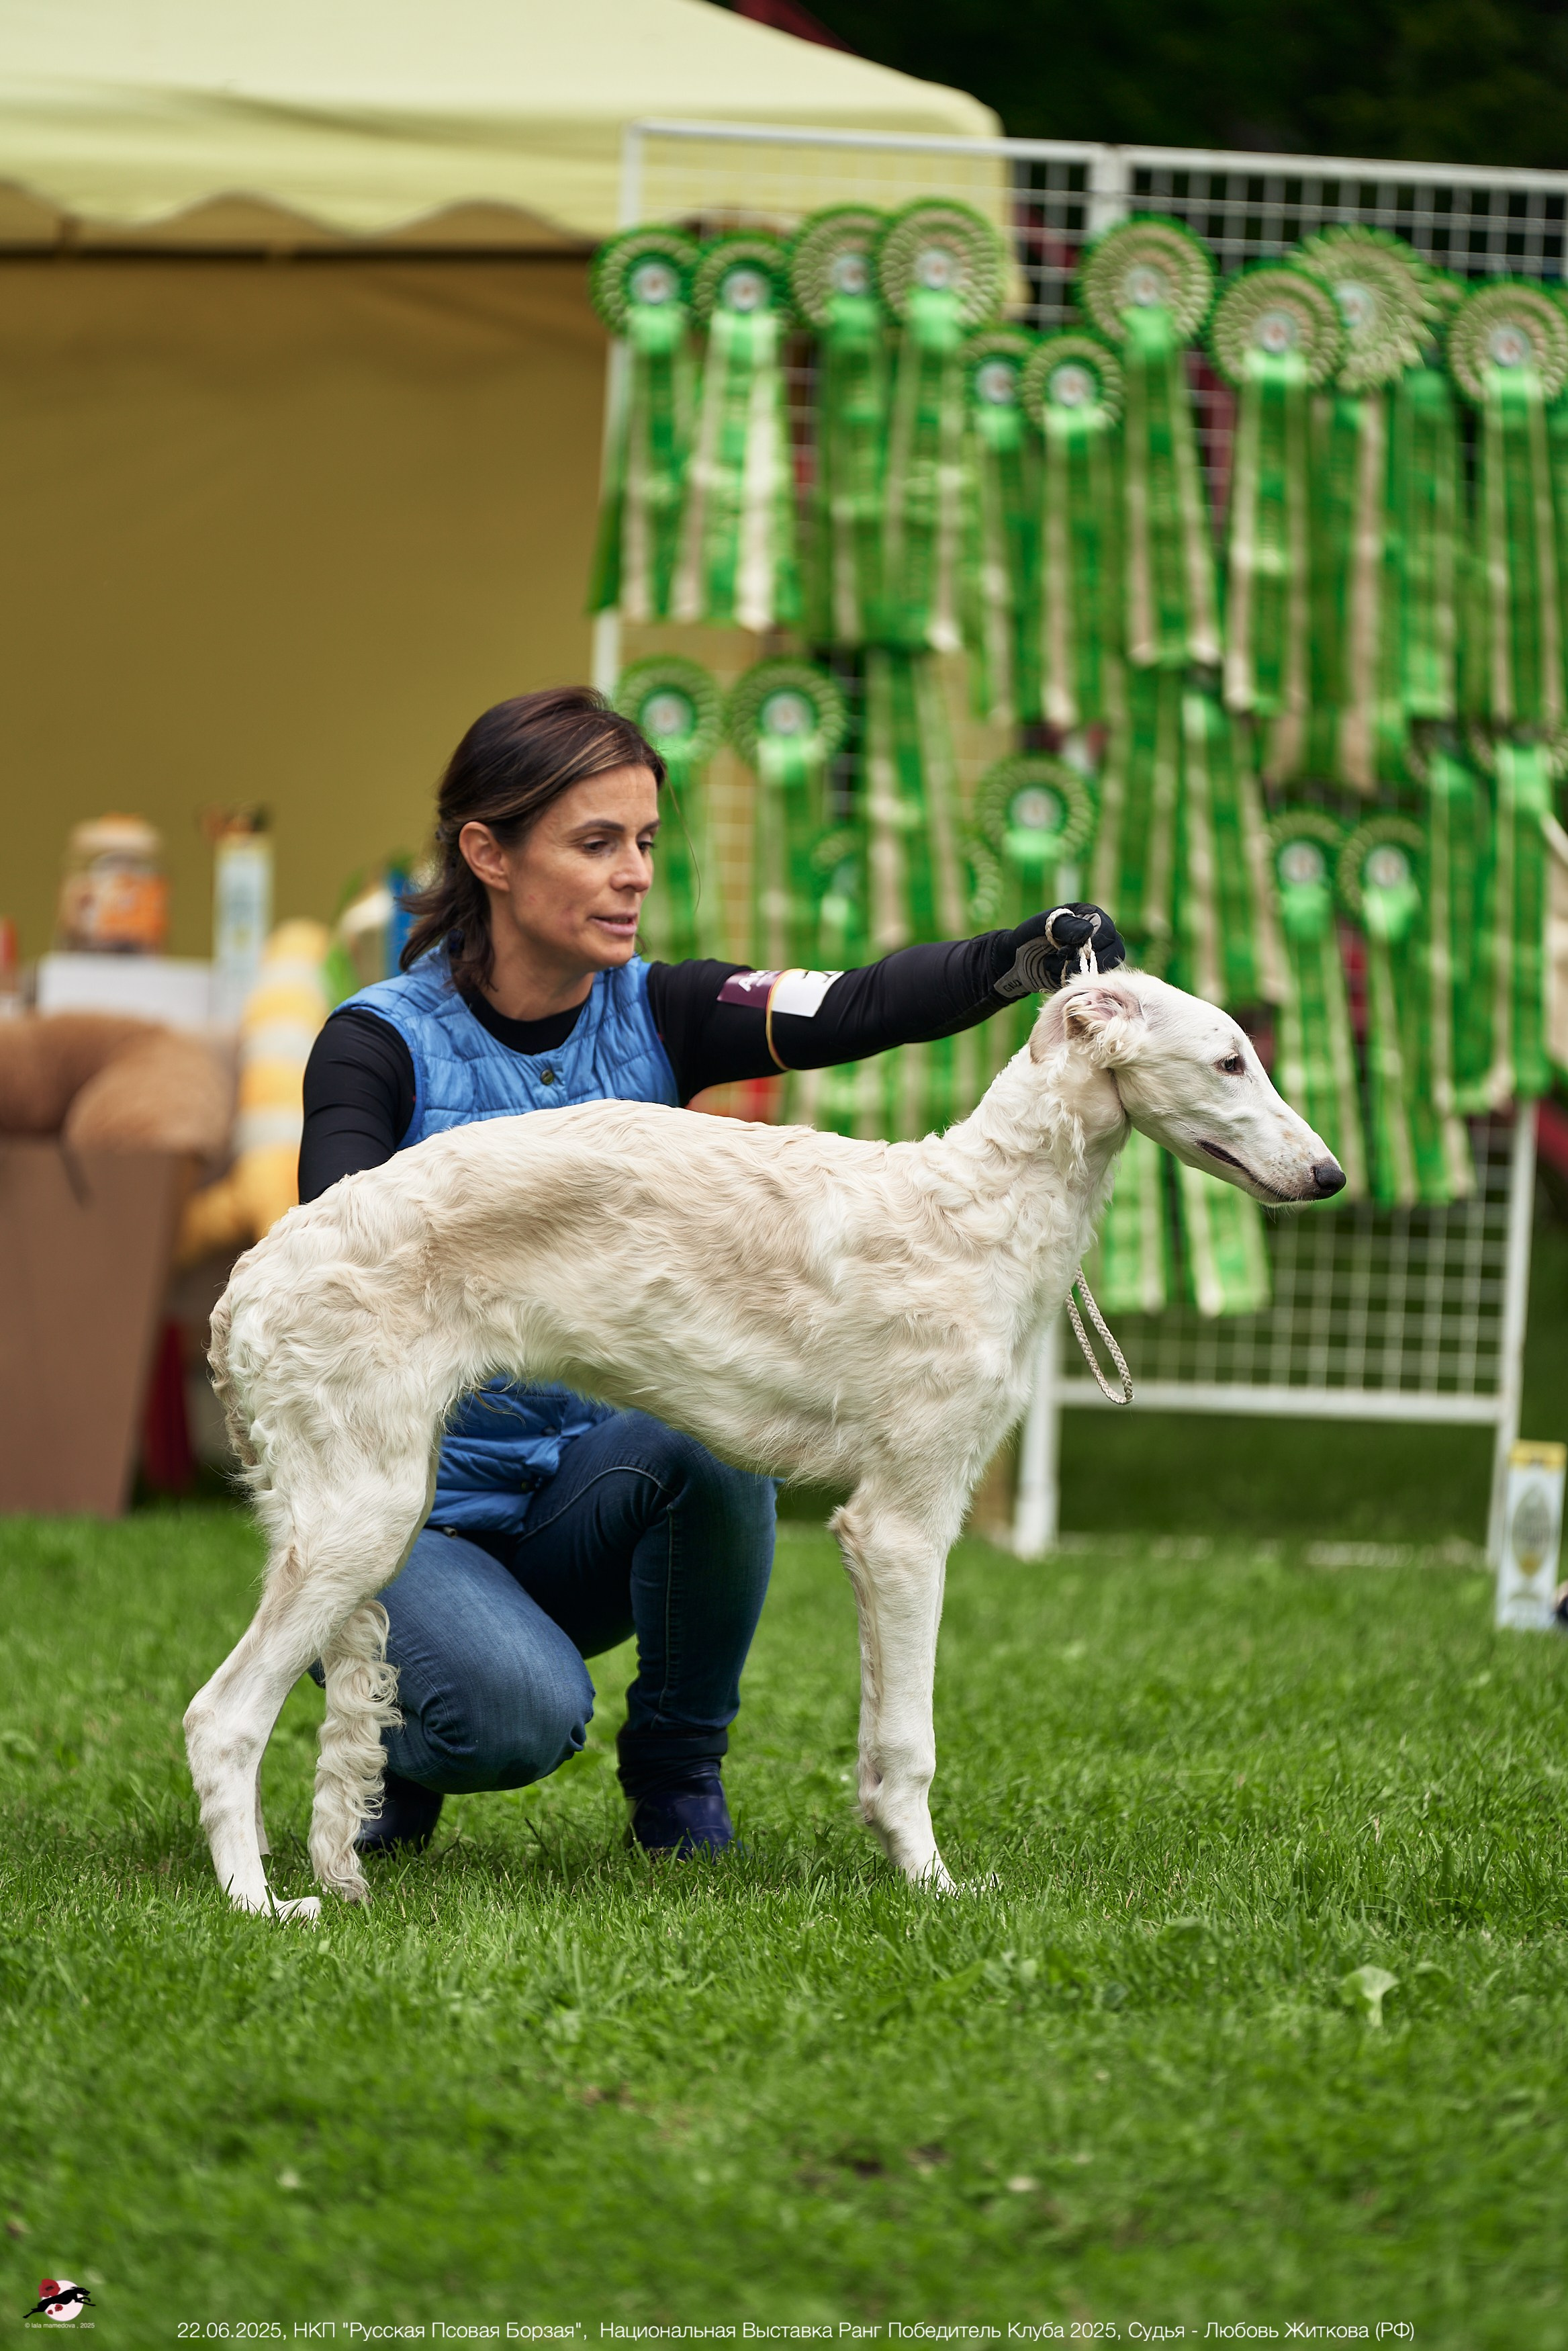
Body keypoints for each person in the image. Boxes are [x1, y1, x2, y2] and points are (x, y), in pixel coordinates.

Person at [299, 686, 1125, 1859]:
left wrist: (1024, 955)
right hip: (414, 1509)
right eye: (595, 844)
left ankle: (679, 1776)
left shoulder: (665, 1010)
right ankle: (405, 1729)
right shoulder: (376, 1042)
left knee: (727, 1436)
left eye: (644, 841)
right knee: (515, 1718)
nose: (634, 872)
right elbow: (330, 1271)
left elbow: (858, 1006)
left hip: (582, 1486)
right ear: (486, 851)